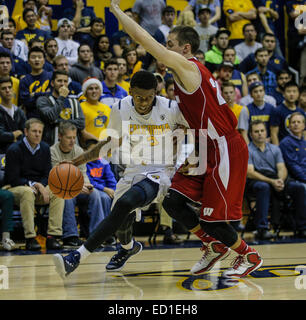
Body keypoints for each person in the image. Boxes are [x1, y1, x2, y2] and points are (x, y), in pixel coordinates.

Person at [53, 2, 263, 279]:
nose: (166, 47)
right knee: (173, 203)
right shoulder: (168, 89)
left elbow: (145, 41)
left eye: (170, 43)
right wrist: (193, 155)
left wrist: (118, 14)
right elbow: (192, 125)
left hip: (221, 148)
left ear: (185, 48)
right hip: (203, 149)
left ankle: (249, 255)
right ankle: (210, 246)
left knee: (213, 219)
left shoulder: (188, 70)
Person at [53, 70, 189, 277]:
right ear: (130, 92)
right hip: (133, 170)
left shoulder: (170, 108)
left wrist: (187, 143)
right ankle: (128, 248)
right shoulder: (119, 108)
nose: (144, 102)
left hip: (161, 171)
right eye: (139, 97)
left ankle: (76, 257)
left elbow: (198, 125)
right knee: (121, 221)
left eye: (149, 97)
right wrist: (77, 160)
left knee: (126, 204)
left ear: (156, 93)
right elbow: (109, 142)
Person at [3, 118, 64, 251]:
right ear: (26, 131)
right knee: (27, 192)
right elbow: (12, 179)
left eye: (40, 132)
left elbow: (47, 174)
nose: (37, 134)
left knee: (58, 190)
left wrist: (41, 185)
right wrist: (35, 184)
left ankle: (52, 236)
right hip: (16, 188)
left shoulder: (45, 148)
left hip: (37, 188)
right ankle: (30, 237)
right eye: (34, 131)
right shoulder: (14, 149)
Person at [247, 119, 306, 238]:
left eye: (262, 130)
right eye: (256, 131)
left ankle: (302, 227)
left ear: (266, 132)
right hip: (256, 182)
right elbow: (250, 173)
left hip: (276, 180)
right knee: (264, 187)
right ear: (251, 134)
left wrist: (279, 180)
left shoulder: (275, 149)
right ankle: (262, 229)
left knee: (299, 187)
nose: (259, 133)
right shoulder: (247, 150)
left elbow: (282, 168)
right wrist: (272, 182)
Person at [50, 122, 105, 247]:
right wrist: (77, 187)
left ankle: (97, 235)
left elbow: (83, 173)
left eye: (74, 138)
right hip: (63, 188)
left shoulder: (79, 150)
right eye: (69, 138)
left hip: (79, 187)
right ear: (60, 136)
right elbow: (57, 177)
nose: (72, 141)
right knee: (66, 197)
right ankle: (71, 236)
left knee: (95, 194)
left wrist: (87, 185)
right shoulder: (53, 151)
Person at [36, 70, 86, 146]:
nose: (62, 84)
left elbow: (81, 124)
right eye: (59, 81)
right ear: (52, 83)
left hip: (73, 146)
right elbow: (51, 117)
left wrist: (58, 121)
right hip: (51, 145)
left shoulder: (74, 102)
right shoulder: (43, 100)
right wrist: (61, 97)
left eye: (65, 81)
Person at [19, 46, 52, 119]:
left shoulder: (51, 76)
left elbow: (53, 97)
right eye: (33, 57)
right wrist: (45, 94)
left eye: (40, 57)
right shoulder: (24, 80)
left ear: (44, 60)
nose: (37, 60)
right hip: (32, 118)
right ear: (28, 61)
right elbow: (27, 103)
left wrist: (35, 94)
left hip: (50, 116)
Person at [0, 77, 26, 154]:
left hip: (19, 152)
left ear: (13, 89)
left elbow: (26, 133)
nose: (7, 90)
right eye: (3, 88)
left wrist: (10, 137)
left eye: (9, 87)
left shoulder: (19, 112)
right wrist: (13, 135)